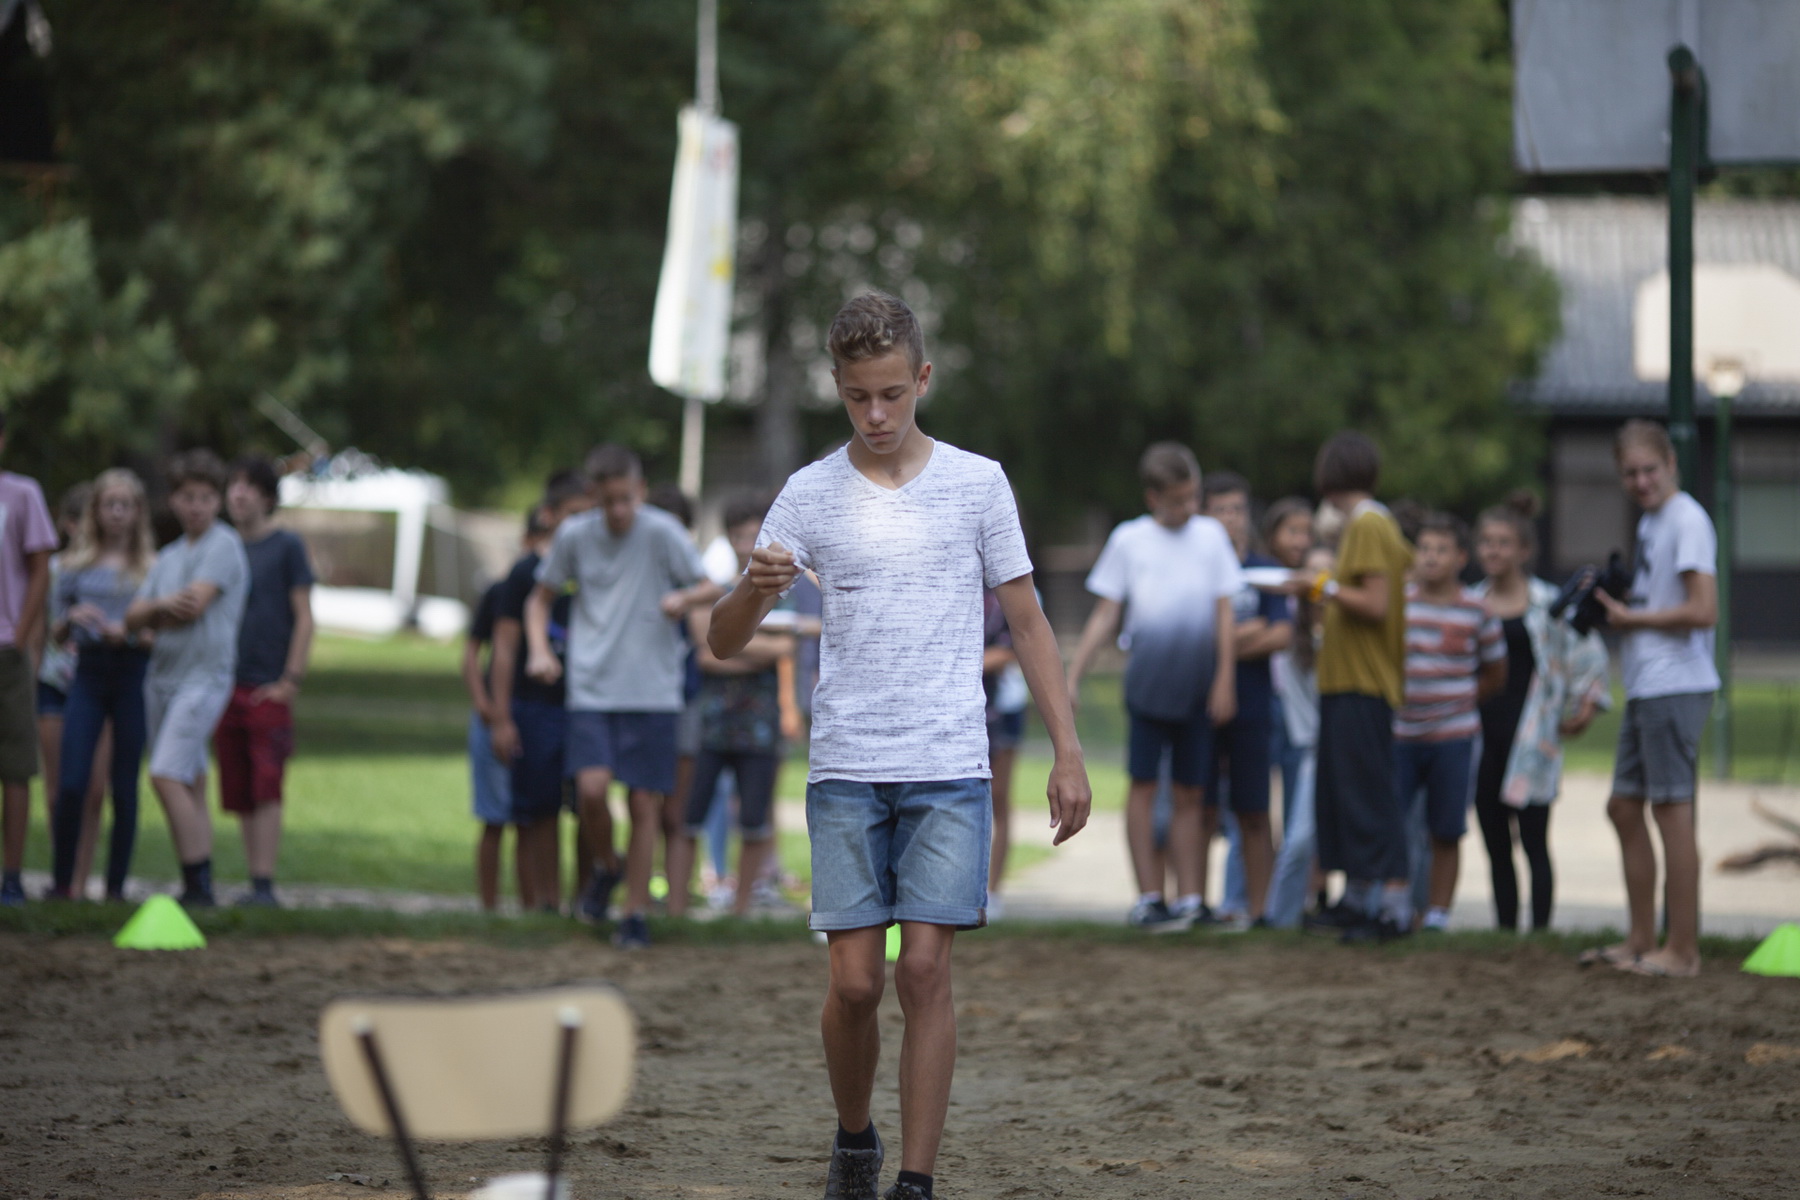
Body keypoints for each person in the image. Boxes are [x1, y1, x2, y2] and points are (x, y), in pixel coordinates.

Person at [710, 290, 1089, 1200]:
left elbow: (1029, 623)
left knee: (922, 970)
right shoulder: (808, 493)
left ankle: (915, 1181)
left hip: (950, 763)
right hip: (847, 766)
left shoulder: (978, 483)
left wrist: (1067, 750)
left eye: (890, 394)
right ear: (837, 388)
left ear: (922, 378)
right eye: (856, 397)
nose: (875, 415)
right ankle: (855, 1139)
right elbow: (722, 642)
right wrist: (754, 588)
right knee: (854, 985)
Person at [524, 445, 721, 948]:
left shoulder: (662, 531)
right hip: (591, 685)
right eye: (608, 500)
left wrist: (683, 597)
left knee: (643, 802)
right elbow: (539, 599)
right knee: (591, 791)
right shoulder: (574, 535)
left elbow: (710, 585)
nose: (618, 511)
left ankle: (634, 912)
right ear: (594, 495)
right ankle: (608, 866)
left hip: (652, 689)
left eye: (627, 499)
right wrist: (540, 650)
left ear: (640, 490)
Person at [1067, 442, 1239, 931]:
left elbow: (1224, 612)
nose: (1189, 507)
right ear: (1153, 498)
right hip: (1147, 685)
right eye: (1178, 500)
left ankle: (1190, 899)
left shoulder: (1210, 537)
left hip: (1198, 686)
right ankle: (1148, 897)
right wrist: (1072, 676)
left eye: (1193, 496)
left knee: (1191, 792)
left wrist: (1225, 678)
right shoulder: (1129, 540)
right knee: (1142, 786)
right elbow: (1106, 613)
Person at [1587, 419, 1718, 978]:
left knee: (1671, 811)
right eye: (1630, 473)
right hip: (1646, 684)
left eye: (1650, 470)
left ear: (1671, 464)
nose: (1641, 481)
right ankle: (1641, 938)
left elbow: (1703, 610)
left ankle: (1682, 951)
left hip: (1676, 683)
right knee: (1623, 807)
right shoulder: (1651, 522)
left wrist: (1632, 619)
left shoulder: (1687, 520)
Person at [1471, 492, 1608, 932]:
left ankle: (1541, 932)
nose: (1494, 550)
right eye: (1486, 542)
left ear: (1524, 550)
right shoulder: (1470, 604)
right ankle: (1505, 930)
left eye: (1503, 542)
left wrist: (1586, 706)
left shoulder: (1550, 604)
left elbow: (1588, 655)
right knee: (1495, 843)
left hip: (1533, 738)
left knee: (1534, 841)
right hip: (1481, 737)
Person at [1299, 432, 1415, 943]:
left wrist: (1318, 586)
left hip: (1363, 684)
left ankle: (1390, 909)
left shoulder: (1368, 524)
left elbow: (1375, 603)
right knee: (1345, 796)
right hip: (1346, 682)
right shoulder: (1371, 524)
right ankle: (1359, 898)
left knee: (1370, 796)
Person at [125, 450, 250, 908]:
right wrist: (157, 610)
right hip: (162, 678)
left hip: (204, 677)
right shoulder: (169, 556)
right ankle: (198, 884)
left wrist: (153, 615)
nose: (196, 506)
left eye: (205, 497)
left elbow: (191, 607)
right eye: (188, 497)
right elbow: (133, 617)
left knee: (164, 773)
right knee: (191, 778)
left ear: (218, 500)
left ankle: (198, 882)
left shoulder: (224, 545)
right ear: (174, 500)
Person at [665, 495, 796, 918]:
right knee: (689, 817)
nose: (745, 546)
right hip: (711, 725)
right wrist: (763, 646)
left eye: (753, 537)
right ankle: (677, 910)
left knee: (754, 820)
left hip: (760, 726)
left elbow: (784, 647)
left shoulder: (783, 593)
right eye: (738, 537)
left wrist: (732, 643)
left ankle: (741, 912)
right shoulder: (716, 592)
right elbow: (707, 654)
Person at [1393, 513, 1505, 931]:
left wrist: (1459, 701)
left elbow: (1495, 671)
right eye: (1424, 549)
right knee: (1395, 823)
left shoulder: (1477, 610)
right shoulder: (1399, 604)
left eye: (1441, 550)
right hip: (1402, 733)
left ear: (1460, 557)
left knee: (1446, 827)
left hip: (1454, 735)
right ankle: (1397, 906)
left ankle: (1437, 913)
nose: (1431, 558)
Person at [47, 471, 156, 902]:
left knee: (124, 786)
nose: (117, 513)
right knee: (72, 782)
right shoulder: (75, 566)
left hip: (131, 673)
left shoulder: (152, 569)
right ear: (96, 510)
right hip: (88, 673)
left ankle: (115, 888)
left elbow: (160, 636)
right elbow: (56, 634)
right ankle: (62, 884)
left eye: (125, 505)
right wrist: (71, 620)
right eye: (109, 504)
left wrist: (127, 633)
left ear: (137, 512)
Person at [214, 457, 314, 907]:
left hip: (268, 685)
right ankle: (253, 880)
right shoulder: (222, 547)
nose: (238, 493)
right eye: (233, 485)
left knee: (267, 784)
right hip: (225, 682)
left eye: (249, 486)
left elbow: (304, 617)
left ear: (268, 497)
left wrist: (290, 680)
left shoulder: (287, 546)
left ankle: (264, 883)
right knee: (238, 788)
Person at [490, 473, 593, 912]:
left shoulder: (598, 567)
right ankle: (547, 901)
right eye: (573, 514)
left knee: (589, 804)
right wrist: (501, 717)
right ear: (550, 516)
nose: (582, 524)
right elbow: (504, 647)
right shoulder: (525, 572)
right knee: (541, 808)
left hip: (588, 702)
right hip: (536, 706)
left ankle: (587, 898)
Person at [1202, 471, 1290, 927]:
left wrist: (1223, 640)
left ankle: (1260, 912)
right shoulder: (1194, 568)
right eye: (1220, 509)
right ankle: (1194, 905)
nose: (1230, 518)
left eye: (1237, 509)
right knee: (1199, 808)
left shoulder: (1265, 570)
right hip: (1200, 705)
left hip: (1254, 706)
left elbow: (1281, 634)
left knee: (1254, 811)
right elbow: (1192, 635)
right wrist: (1249, 630)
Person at [39, 483, 113, 898]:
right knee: (59, 789)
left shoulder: (113, 568)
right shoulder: (53, 570)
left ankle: (82, 881)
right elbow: (41, 628)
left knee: (94, 790)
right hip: (55, 682)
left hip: (100, 683)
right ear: (69, 525)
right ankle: (62, 876)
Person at [0, 415, 57, 907]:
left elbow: (41, 569)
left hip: (6, 652)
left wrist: (20, 635)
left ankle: (13, 877)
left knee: (15, 766)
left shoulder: (21, 494)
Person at [1266, 544, 1331, 928]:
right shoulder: (1291, 633)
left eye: (1328, 573)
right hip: (1311, 749)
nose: (1319, 582)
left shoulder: (1353, 628)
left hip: (1350, 745)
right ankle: (1281, 919)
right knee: (1299, 840)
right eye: (1313, 572)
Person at [461, 568, 513, 910]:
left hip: (534, 713)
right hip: (493, 717)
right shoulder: (501, 591)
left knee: (532, 821)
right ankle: (489, 906)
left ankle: (535, 907)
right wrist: (484, 704)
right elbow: (471, 652)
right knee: (493, 819)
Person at [982, 587, 1029, 917]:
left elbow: (1011, 650)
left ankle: (992, 890)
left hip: (1003, 709)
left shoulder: (1016, 591)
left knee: (998, 798)